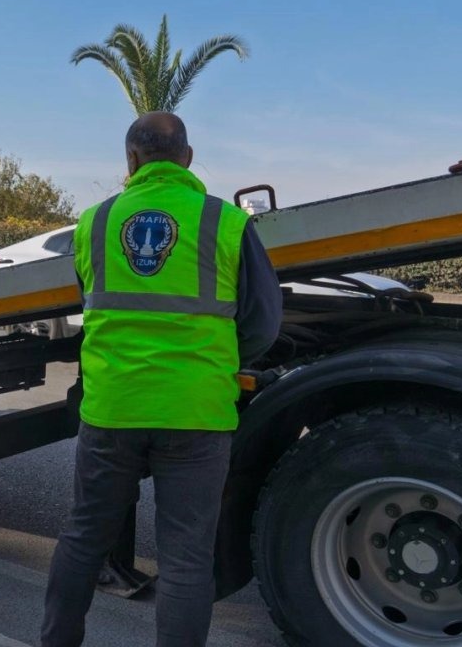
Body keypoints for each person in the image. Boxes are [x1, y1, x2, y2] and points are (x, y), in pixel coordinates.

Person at [41, 112, 282, 647]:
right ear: (188, 158)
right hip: (196, 413)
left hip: (112, 408)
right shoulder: (226, 222)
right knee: (186, 560)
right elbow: (264, 322)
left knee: (83, 539)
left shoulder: (94, 223)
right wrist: (212, 361)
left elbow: (91, 301)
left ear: (130, 160)